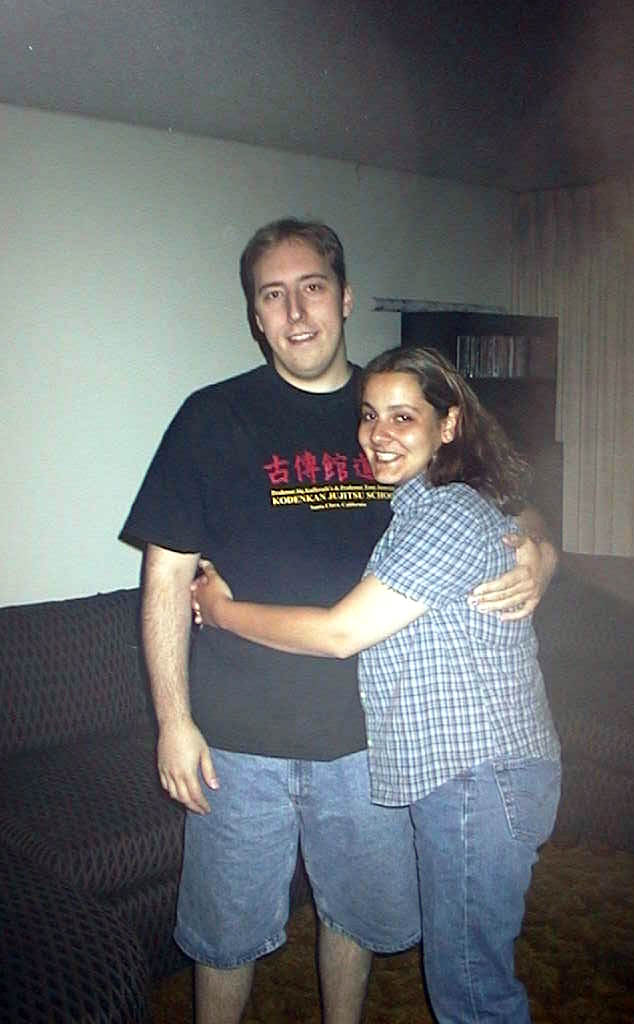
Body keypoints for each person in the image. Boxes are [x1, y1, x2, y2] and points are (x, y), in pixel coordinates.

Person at [122, 218, 558, 1024]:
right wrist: (172, 722)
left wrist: (540, 547)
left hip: (369, 742)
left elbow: (497, 493)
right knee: (224, 937)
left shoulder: (392, 400)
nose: (295, 312)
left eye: (312, 288)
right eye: (273, 295)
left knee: (353, 918)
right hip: (236, 741)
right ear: (255, 314)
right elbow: (166, 576)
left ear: (346, 297)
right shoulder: (212, 417)